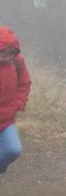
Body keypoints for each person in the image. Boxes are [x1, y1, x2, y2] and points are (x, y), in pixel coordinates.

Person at [0, 27, 31, 175]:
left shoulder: (17, 62)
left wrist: (18, 104)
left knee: (13, 150)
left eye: (11, 53)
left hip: (7, 117)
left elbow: (24, 84)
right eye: (4, 53)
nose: (7, 58)